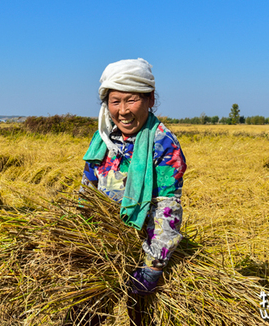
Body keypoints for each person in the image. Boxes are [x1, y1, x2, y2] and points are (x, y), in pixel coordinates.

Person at [81, 58, 187, 324]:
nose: (124, 111)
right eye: (115, 101)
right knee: (86, 310)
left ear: (150, 99)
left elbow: (167, 205)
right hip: (101, 242)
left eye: (132, 100)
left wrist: (153, 265)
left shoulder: (163, 142)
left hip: (141, 244)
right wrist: (80, 232)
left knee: (139, 310)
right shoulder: (104, 137)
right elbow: (87, 189)